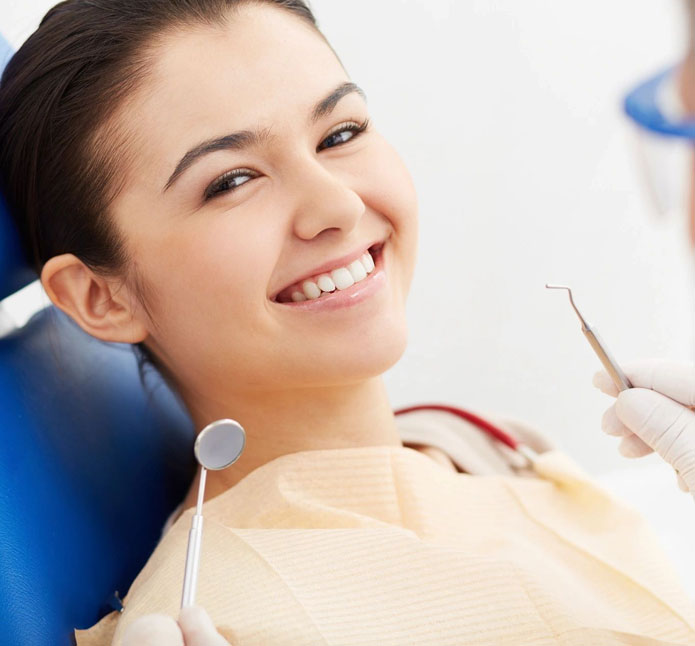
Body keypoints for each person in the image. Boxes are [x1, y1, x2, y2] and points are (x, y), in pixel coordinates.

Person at [1, 1, 695, 644]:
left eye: (340, 133)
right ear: (101, 298)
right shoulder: (223, 620)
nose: (334, 202)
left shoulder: (474, 446)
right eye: (231, 180)